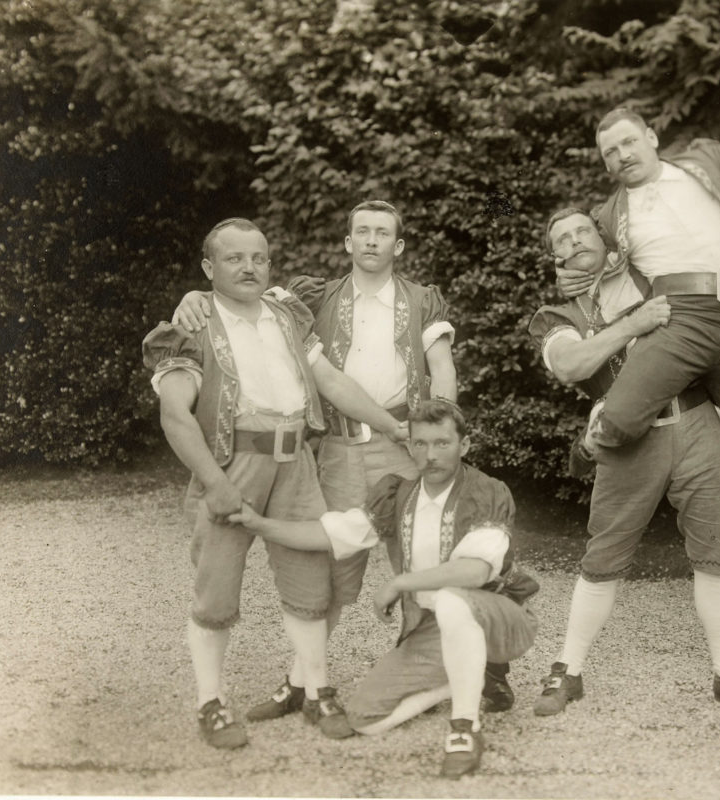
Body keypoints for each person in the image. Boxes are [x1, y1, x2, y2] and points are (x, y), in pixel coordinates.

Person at [172, 202, 514, 717]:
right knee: (329, 564)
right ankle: (303, 684)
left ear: (398, 246)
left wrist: (438, 431)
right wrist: (193, 298)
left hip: (403, 444)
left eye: (383, 233)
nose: (372, 241)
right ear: (347, 243)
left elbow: (441, 366)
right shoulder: (310, 299)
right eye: (362, 232)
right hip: (336, 449)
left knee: (430, 554)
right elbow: (236, 295)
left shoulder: (421, 301)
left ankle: (467, 670)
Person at [142, 218, 409, 749]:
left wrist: (390, 424)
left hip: (297, 465)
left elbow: (330, 382)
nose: (248, 267)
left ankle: (316, 689)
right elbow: (176, 414)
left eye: (258, 258)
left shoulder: (287, 317)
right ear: (208, 267)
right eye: (234, 258)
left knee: (312, 580)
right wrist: (214, 483)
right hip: (232, 463)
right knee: (216, 588)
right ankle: (211, 702)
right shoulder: (189, 327)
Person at [527, 207, 720, 717]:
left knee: (715, 554)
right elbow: (572, 363)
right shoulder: (558, 317)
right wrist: (636, 323)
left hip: (697, 422)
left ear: (603, 239)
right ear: (554, 257)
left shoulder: (655, 277)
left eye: (582, 232)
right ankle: (567, 670)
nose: (575, 242)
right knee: (603, 560)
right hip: (629, 443)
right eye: (562, 239)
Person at [230, 399, 539, 779]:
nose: (430, 455)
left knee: (452, 599)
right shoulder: (399, 494)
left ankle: (464, 728)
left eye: (442, 443)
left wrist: (400, 582)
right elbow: (330, 532)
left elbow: (475, 572)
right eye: (420, 444)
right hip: (433, 630)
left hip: (500, 618)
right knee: (363, 718)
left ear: (465, 445)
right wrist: (258, 524)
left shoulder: (484, 491)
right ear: (409, 447)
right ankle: (466, 676)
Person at [581, 38, 720, 484]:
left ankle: (710, 417)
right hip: (680, 321)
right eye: (610, 154)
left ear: (651, 138)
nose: (622, 156)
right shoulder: (609, 215)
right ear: (605, 167)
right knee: (614, 426)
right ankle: (626, 407)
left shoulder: (702, 160)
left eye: (629, 142)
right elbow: (596, 284)